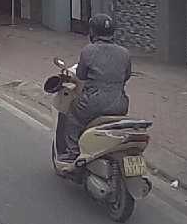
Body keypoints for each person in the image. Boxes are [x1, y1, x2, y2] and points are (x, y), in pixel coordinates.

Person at [55, 13, 132, 166]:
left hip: (92, 103)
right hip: (120, 105)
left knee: (72, 114)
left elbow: (81, 76)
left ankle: (73, 153)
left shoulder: (88, 51)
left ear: (92, 32)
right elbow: (126, 76)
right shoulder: (125, 53)